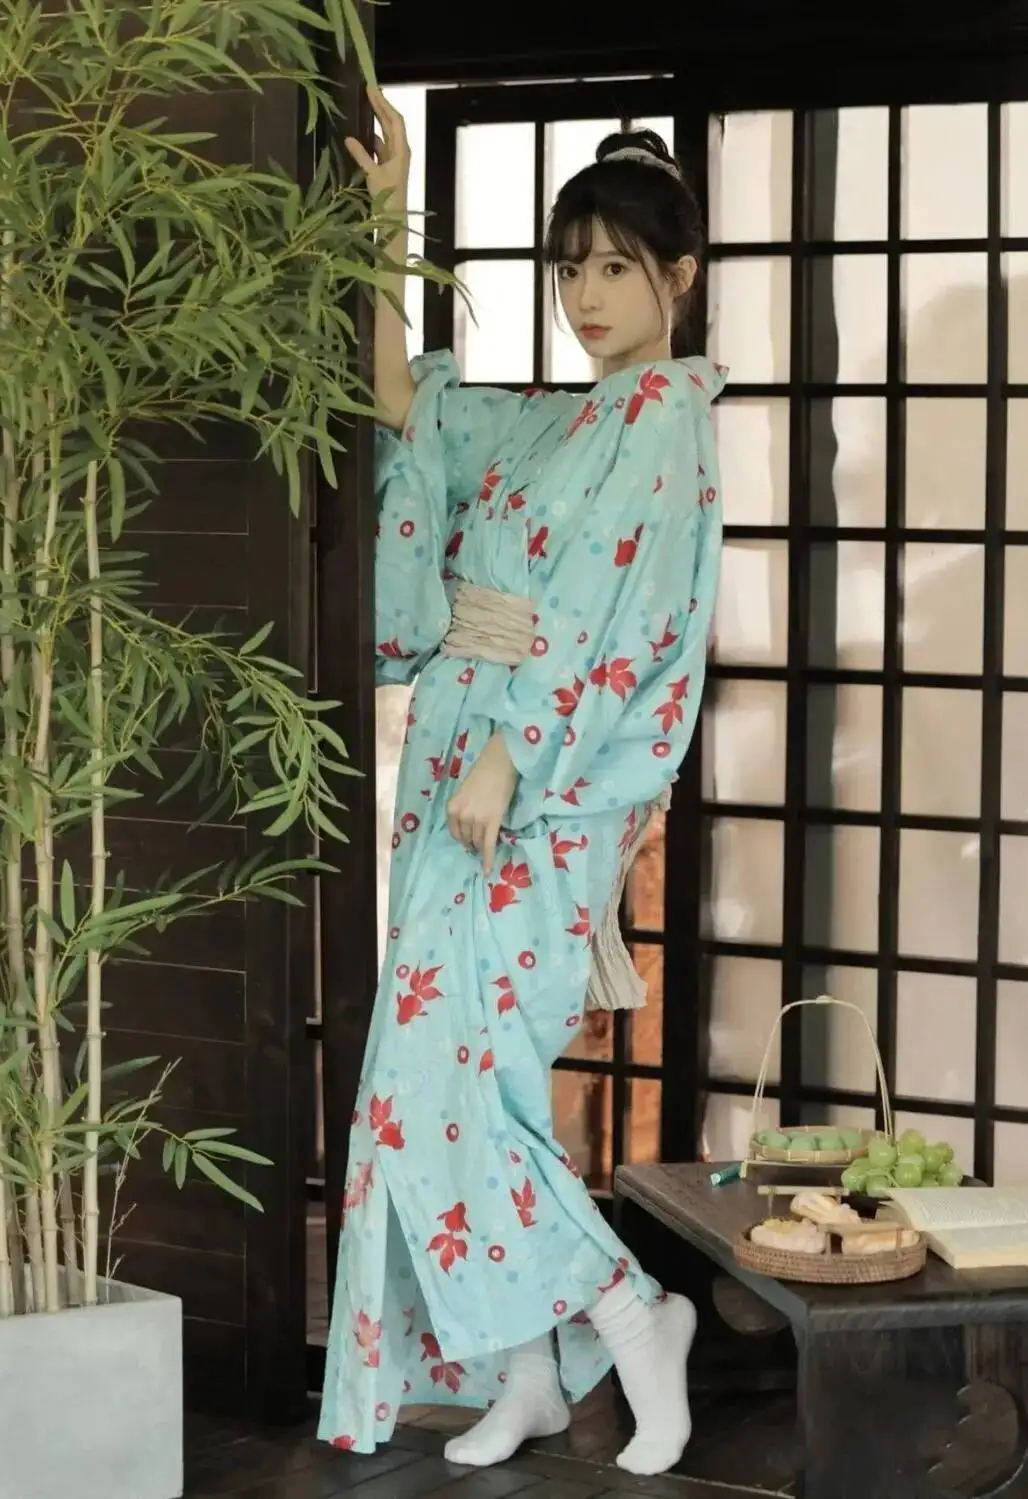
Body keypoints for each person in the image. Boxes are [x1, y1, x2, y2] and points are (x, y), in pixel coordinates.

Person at [318, 85, 726, 1478]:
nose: (587, 296)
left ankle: (631, 1314)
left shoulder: (663, 423)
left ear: (680, 275)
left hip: (537, 785)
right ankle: (530, 1370)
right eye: (571, 269)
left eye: (617, 266)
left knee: (450, 1072)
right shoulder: (561, 423)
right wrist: (389, 205)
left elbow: (622, 628)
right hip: (466, 758)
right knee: (436, 1077)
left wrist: (507, 755)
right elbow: (399, 397)